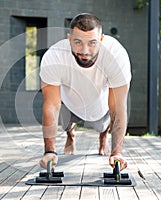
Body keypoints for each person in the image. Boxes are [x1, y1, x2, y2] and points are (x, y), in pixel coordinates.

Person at [39, 13, 131, 171]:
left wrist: (117, 153)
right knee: (66, 125)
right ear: (69, 39)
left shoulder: (116, 55)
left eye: (92, 43)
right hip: (70, 103)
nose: (85, 50)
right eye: (78, 42)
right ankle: (71, 136)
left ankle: (103, 139)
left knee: (102, 126)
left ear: (101, 40)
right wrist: (49, 151)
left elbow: (118, 108)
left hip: (99, 106)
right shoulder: (54, 56)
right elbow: (51, 106)